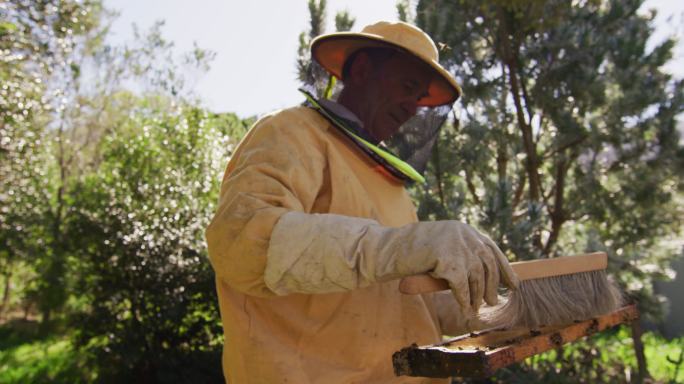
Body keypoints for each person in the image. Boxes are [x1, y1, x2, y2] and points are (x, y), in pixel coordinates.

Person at [206, 21, 519, 384]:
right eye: (407, 86)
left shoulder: (392, 188)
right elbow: (242, 244)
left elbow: (409, 299)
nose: (412, 109)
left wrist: (493, 304)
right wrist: (400, 247)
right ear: (361, 70)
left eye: (419, 97)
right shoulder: (291, 131)